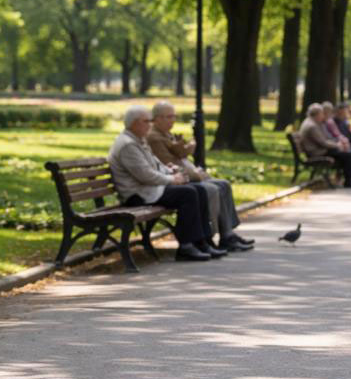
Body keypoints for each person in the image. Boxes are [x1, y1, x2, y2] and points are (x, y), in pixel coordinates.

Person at [108, 105, 227, 261]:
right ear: (135, 123)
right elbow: (145, 175)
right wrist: (173, 179)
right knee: (188, 193)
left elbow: (155, 165)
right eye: (146, 121)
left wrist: (170, 171)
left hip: (149, 189)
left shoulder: (137, 140)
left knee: (198, 189)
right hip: (138, 194)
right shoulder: (128, 144)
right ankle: (186, 246)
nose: (150, 124)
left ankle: (201, 242)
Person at [145, 101, 254, 252]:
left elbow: (178, 158)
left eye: (173, 116)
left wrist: (188, 151)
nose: (172, 120)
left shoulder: (165, 134)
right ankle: (210, 236)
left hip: (184, 176)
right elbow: (169, 164)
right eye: (168, 117)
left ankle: (227, 235)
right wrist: (197, 175)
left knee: (224, 184)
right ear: (156, 118)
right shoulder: (154, 138)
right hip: (175, 181)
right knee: (211, 189)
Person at [299, 102, 351, 187]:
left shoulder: (313, 123)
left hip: (320, 150)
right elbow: (323, 142)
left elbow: (326, 139)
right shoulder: (312, 126)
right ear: (317, 114)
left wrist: (338, 144)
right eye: (322, 114)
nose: (323, 116)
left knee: (349, 153)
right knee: (348, 155)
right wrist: (338, 145)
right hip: (317, 152)